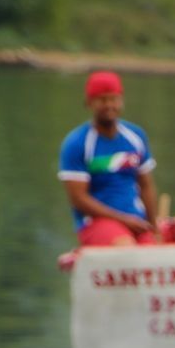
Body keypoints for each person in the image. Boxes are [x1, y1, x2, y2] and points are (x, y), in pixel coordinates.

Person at [58, 70, 158, 247]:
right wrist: (123, 220)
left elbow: (146, 186)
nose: (109, 105)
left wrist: (155, 227)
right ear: (89, 103)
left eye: (114, 99)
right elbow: (78, 199)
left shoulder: (135, 136)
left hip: (136, 221)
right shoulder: (77, 143)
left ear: (121, 101)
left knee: (155, 251)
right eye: (102, 100)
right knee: (126, 247)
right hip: (96, 223)